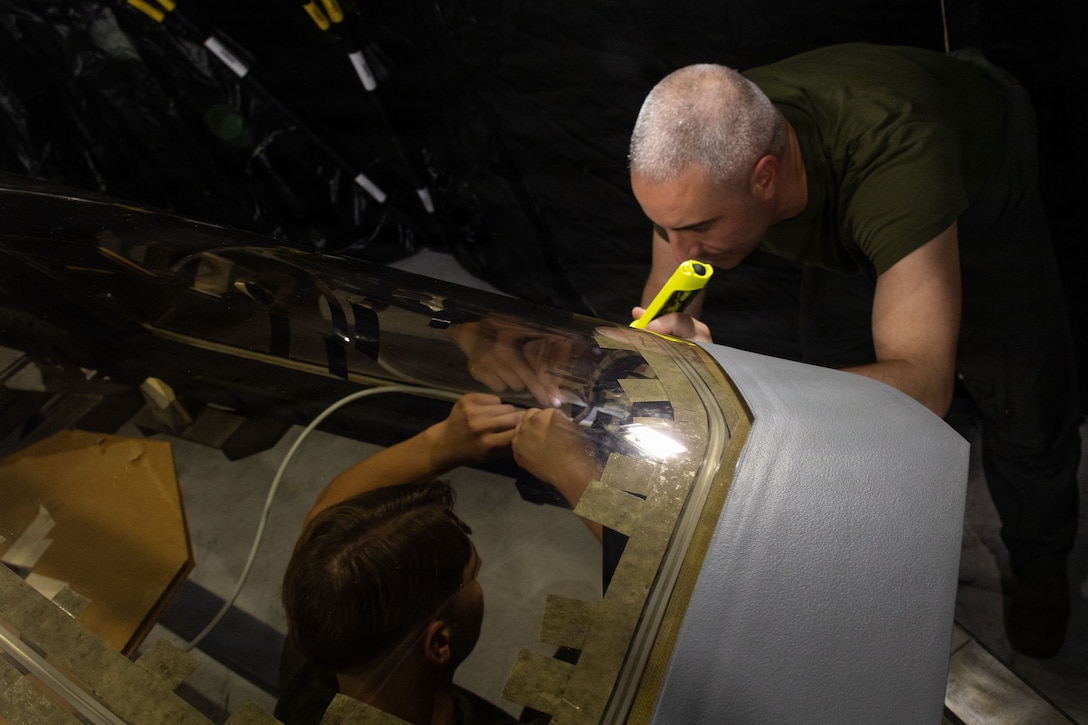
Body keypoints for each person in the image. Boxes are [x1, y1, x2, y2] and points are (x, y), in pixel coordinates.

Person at [626, 43, 1080, 658]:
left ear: (764, 176)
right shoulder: (697, 163)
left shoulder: (899, 157)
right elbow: (670, 294)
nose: (681, 246)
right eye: (665, 225)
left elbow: (924, 383)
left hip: (975, 188)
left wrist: (736, 388)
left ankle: (1041, 566)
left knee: (1023, 403)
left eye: (701, 228)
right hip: (855, 207)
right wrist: (662, 342)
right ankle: (863, 563)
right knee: (837, 381)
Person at [277, 392, 601, 724]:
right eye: (472, 575)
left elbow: (325, 518)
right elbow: (646, 585)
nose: (481, 574)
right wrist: (576, 472)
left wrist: (443, 443)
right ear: (440, 641)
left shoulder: (327, 660)